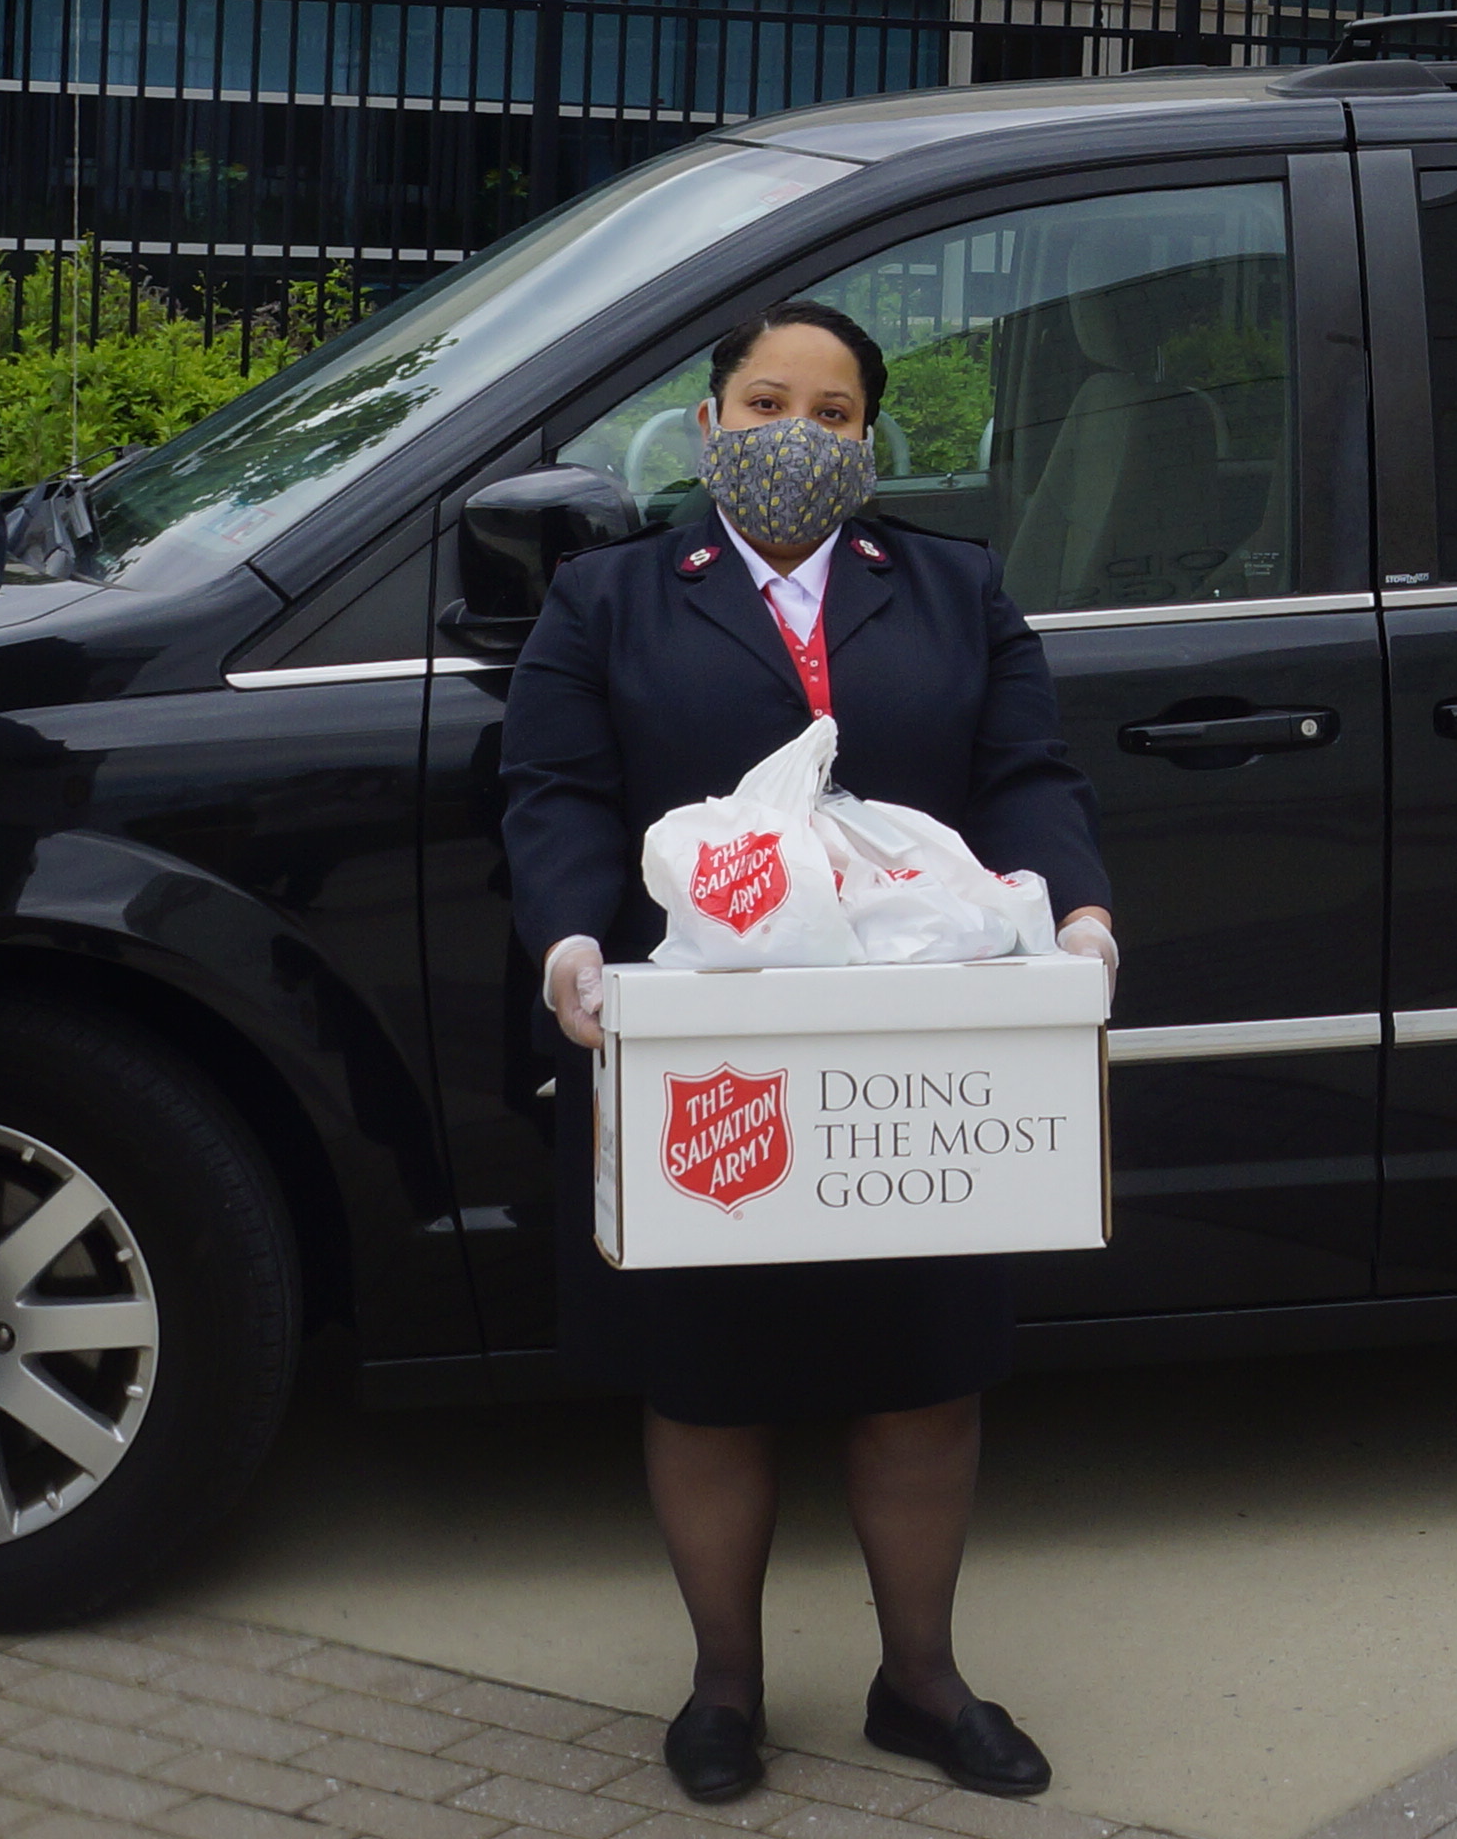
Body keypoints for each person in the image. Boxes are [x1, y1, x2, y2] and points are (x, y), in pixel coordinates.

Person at [502, 300, 1117, 1808]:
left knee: (924, 1377)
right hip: (713, 1058)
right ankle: (725, 1690)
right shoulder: (610, 599)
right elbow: (558, 795)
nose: (796, 433)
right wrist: (571, 941)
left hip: (917, 1056)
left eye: (832, 412)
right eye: (765, 401)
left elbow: (1026, 774)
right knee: (711, 1385)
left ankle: (921, 1680)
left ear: (870, 438)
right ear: (707, 424)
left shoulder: (954, 588)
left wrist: (1082, 914)